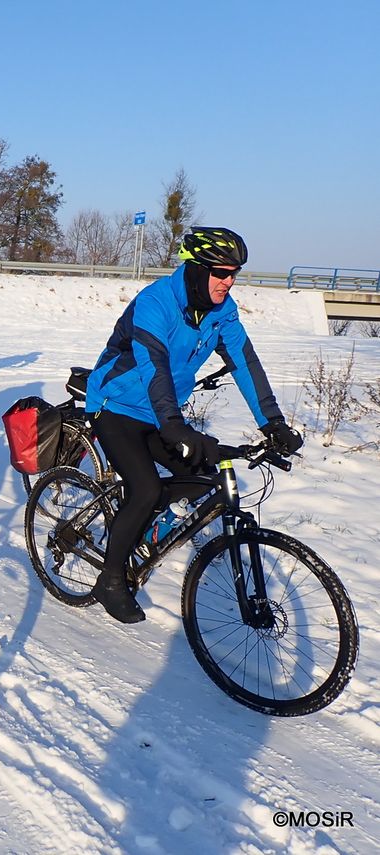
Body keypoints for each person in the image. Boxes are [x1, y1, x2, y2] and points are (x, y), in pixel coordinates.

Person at [84, 226, 304, 624]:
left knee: (205, 473)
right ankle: (110, 579)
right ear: (196, 269)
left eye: (234, 273)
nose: (229, 281)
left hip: (162, 412)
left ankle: (146, 526)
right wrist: (173, 424)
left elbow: (245, 363)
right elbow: (154, 365)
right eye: (221, 273)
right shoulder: (155, 302)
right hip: (117, 406)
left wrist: (272, 422)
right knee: (146, 487)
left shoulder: (223, 310)